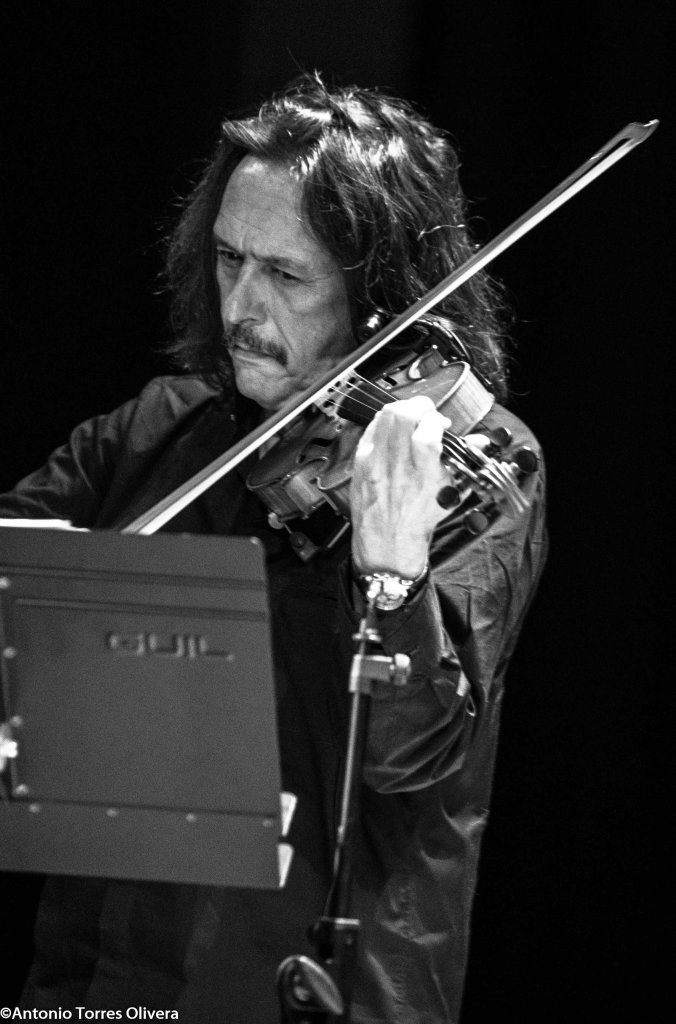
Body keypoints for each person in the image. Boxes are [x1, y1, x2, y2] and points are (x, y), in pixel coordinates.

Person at [0, 74, 547, 1023]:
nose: (241, 307)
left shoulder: (473, 466)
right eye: (228, 259)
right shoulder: (162, 433)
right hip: (103, 979)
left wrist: (392, 573)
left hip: (316, 986)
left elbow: (412, 757)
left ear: (379, 291)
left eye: (286, 276)